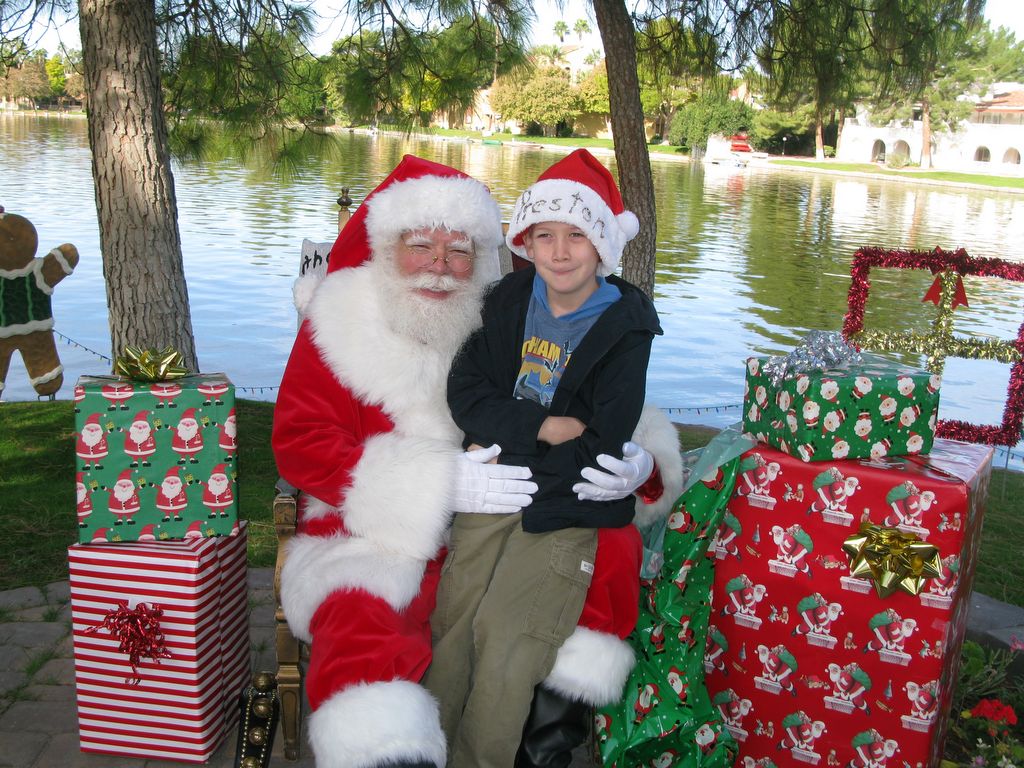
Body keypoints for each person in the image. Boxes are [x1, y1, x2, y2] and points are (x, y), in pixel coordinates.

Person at [272, 154, 682, 768]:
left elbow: (605, 404)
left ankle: (541, 744)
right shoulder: (340, 320)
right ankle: (392, 754)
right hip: (379, 531)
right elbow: (301, 439)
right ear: (387, 245)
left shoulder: (506, 310)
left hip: (516, 509)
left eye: (458, 250)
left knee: (608, 551)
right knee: (363, 615)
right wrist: (434, 484)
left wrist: (644, 466)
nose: (440, 266)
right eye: (421, 245)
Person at [425, 149, 663, 767]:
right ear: (525, 240)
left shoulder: (624, 329)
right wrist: (543, 425)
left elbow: (601, 441)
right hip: (494, 489)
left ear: (605, 243)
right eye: (544, 235)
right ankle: (429, 750)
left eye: (578, 235)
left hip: (564, 505)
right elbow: (467, 393)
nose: (559, 252)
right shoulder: (508, 299)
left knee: (506, 641)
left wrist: (516, 443)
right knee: (455, 627)